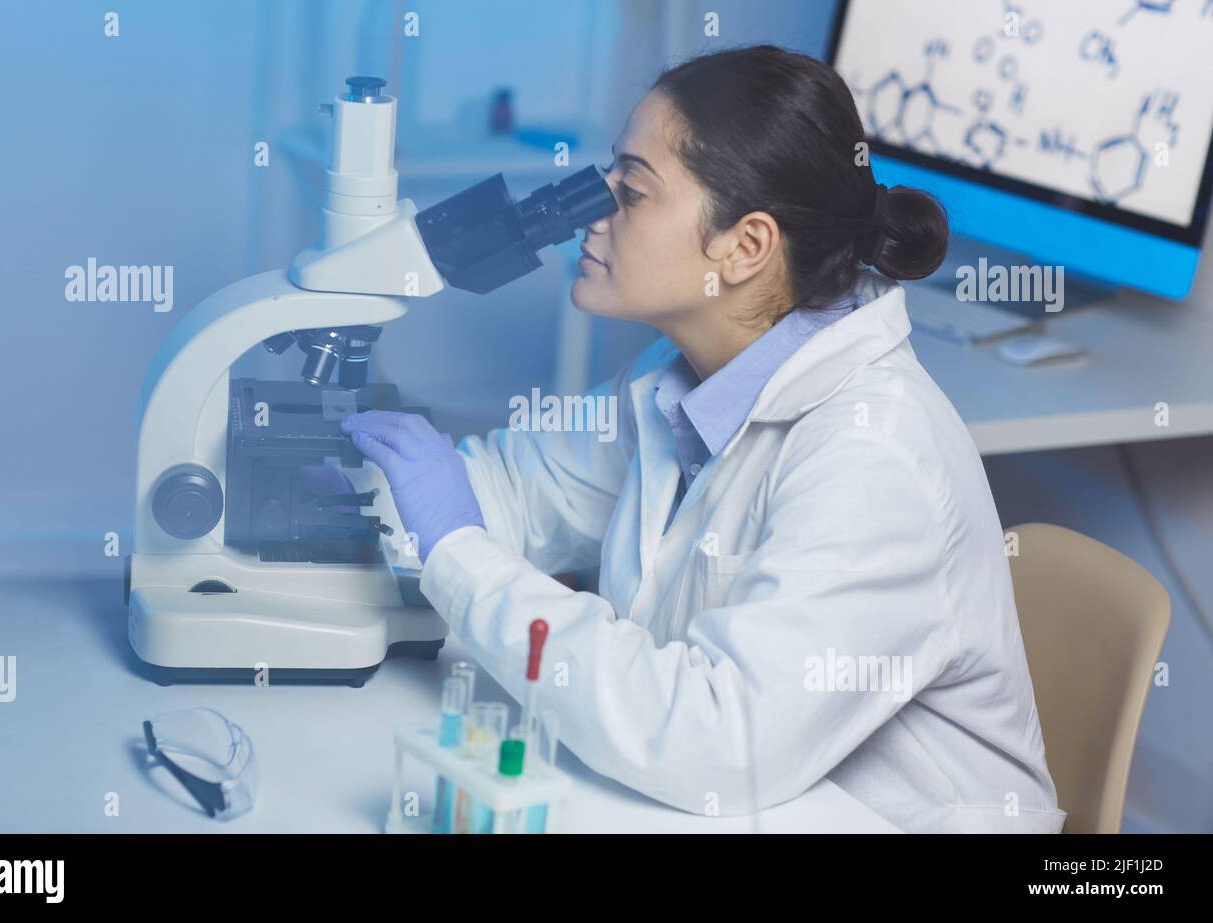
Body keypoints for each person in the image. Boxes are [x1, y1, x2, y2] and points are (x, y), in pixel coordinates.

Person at [341, 44, 1066, 833]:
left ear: (745, 246)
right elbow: (515, 496)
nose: (594, 209)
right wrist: (368, 500)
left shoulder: (874, 455)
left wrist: (456, 549)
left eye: (632, 189)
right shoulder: (679, 377)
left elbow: (718, 738)